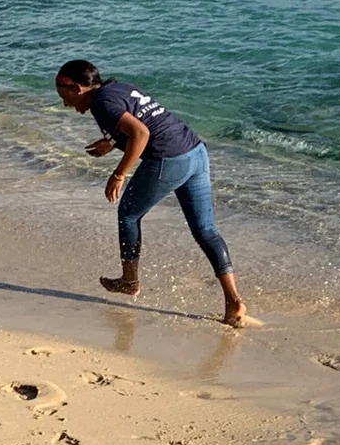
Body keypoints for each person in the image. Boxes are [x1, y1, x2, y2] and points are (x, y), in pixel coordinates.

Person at [55, 59, 247, 327]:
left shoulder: (101, 104)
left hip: (169, 159)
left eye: (65, 98)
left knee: (128, 214)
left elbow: (141, 133)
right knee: (206, 230)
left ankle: (129, 281)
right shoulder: (117, 87)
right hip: (195, 151)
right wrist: (111, 143)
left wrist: (118, 174)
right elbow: (145, 119)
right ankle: (233, 301)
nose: (67, 105)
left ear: (76, 88)